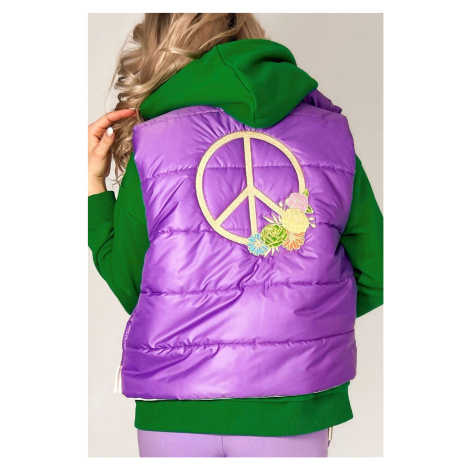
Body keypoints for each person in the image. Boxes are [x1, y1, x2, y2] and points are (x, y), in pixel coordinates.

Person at [88, 13, 383, 458]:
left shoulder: (155, 143)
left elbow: (136, 287)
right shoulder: (330, 136)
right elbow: (379, 271)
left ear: (159, 50)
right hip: (294, 403)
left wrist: (93, 187)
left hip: (176, 405)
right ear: (251, 37)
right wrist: (298, 316)